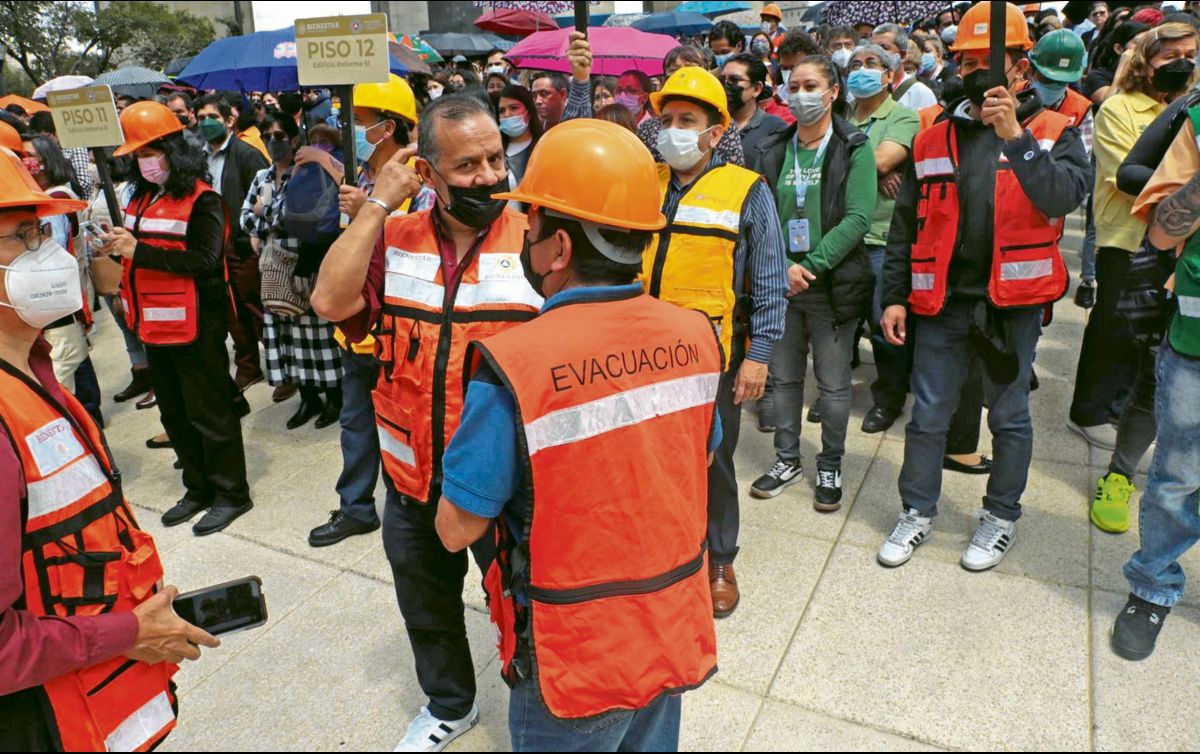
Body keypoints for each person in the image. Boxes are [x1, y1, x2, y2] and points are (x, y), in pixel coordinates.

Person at [432, 117, 721, 753]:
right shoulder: (696, 334)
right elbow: (698, 451)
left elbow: (457, 528)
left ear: (559, 249)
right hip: (668, 622)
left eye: (530, 227)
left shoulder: (514, 365)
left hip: (578, 651)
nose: (523, 240)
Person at [311, 94, 541, 750]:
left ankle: (540, 714)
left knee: (524, 612)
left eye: (496, 158)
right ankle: (451, 704)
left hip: (502, 489)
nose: (489, 175)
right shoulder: (396, 237)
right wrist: (379, 204)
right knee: (427, 604)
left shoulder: (536, 238)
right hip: (411, 478)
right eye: (467, 165)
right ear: (428, 174)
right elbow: (330, 300)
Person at [0, 147, 221, 750]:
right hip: (47, 720)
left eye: (43, 231)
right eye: (22, 237)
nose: (49, 251)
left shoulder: (32, 369)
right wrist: (126, 633)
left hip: (99, 705)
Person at [877, 0, 1090, 571]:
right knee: (927, 414)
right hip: (942, 304)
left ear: (1022, 65)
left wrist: (1014, 136)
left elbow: (1062, 198)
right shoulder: (930, 137)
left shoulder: (1053, 132)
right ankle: (918, 510)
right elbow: (905, 227)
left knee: (1010, 417)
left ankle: (1000, 516)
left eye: (989, 61)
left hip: (1012, 307)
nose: (978, 72)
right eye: (967, 61)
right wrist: (893, 295)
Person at [642, 66, 787, 616]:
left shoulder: (745, 190)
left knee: (715, 462)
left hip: (713, 361)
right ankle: (665, 549)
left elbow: (771, 279)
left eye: (688, 121)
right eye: (666, 120)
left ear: (713, 131)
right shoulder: (644, 181)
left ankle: (720, 557)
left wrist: (758, 357)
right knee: (652, 460)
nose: (674, 130)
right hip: (642, 356)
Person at [100, 101, 255, 536]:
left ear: (174, 149)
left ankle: (231, 493)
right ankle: (198, 485)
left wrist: (139, 251)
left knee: (209, 412)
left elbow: (205, 261)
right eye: (139, 155)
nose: (145, 162)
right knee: (174, 413)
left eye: (152, 152)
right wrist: (116, 248)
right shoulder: (143, 197)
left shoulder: (204, 200)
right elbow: (137, 251)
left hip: (196, 325)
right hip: (153, 324)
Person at [750, 54, 876, 509]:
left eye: (810, 86)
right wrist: (781, 265)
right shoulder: (774, 148)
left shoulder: (853, 146)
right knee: (783, 379)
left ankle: (831, 461)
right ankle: (787, 459)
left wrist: (813, 264)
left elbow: (860, 217)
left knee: (834, 384)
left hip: (831, 285)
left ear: (833, 92)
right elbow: (760, 215)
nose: (799, 95)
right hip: (780, 284)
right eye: (793, 85)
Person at [1068, 23, 1199, 452]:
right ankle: (1088, 412)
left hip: (1174, 240)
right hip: (1126, 236)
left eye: (1191, 53)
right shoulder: (1120, 110)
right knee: (1113, 325)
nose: (1183, 63)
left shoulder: (1188, 108)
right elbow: (1130, 177)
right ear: (1145, 64)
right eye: (1171, 56)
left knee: (1148, 332)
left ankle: (1123, 407)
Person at [1108, 59, 1200, 663]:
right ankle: (1153, 586)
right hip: (1194, 343)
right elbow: (1163, 232)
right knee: (1176, 480)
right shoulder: (1195, 121)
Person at [309, 74, 423, 548]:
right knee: (356, 424)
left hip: (398, 333)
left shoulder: (420, 178)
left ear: (389, 126)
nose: (351, 130)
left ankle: (411, 505)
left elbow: (417, 243)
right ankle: (356, 507)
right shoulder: (361, 177)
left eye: (360, 121)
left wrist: (371, 211)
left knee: (405, 430)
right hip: (358, 329)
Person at [241, 114, 343, 433]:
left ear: (296, 138)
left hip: (308, 261)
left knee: (318, 334)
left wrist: (264, 214)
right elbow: (246, 217)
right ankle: (308, 398)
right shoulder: (262, 176)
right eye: (269, 135)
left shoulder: (310, 170)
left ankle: (334, 399)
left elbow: (287, 217)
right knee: (288, 335)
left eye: (281, 134)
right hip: (275, 268)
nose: (275, 140)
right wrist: (263, 218)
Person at [842, 45, 922, 436]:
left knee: (884, 324)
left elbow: (880, 161)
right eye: (854, 65)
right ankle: (835, 392)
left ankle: (889, 398)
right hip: (841, 235)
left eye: (871, 65)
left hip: (882, 239)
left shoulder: (903, 116)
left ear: (890, 76)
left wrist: (871, 168)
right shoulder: (839, 116)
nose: (861, 70)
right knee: (840, 321)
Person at [561, 36, 749, 166]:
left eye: (688, 121)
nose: (682, 76)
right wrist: (581, 79)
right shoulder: (648, 129)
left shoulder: (723, 125)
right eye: (674, 71)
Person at [194, 94, 271, 391]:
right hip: (215, 249)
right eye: (200, 118)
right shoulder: (198, 158)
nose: (205, 123)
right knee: (232, 313)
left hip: (243, 245)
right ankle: (248, 366)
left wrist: (254, 232)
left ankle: (283, 369)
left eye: (212, 117)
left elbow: (267, 193)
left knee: (258, 308)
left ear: (229, 120)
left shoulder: (247, 154)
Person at [721, 54, 789, 169]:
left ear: (757, 89)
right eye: (722, 80)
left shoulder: (775, 128)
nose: (725, 85)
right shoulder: (709, 123)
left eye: (734, 80)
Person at [873, 24, 939, 111]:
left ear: (902, 55)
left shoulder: (920, 93)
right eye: (873, 48)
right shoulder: (864, 87)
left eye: (884, 48)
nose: (876, 53)